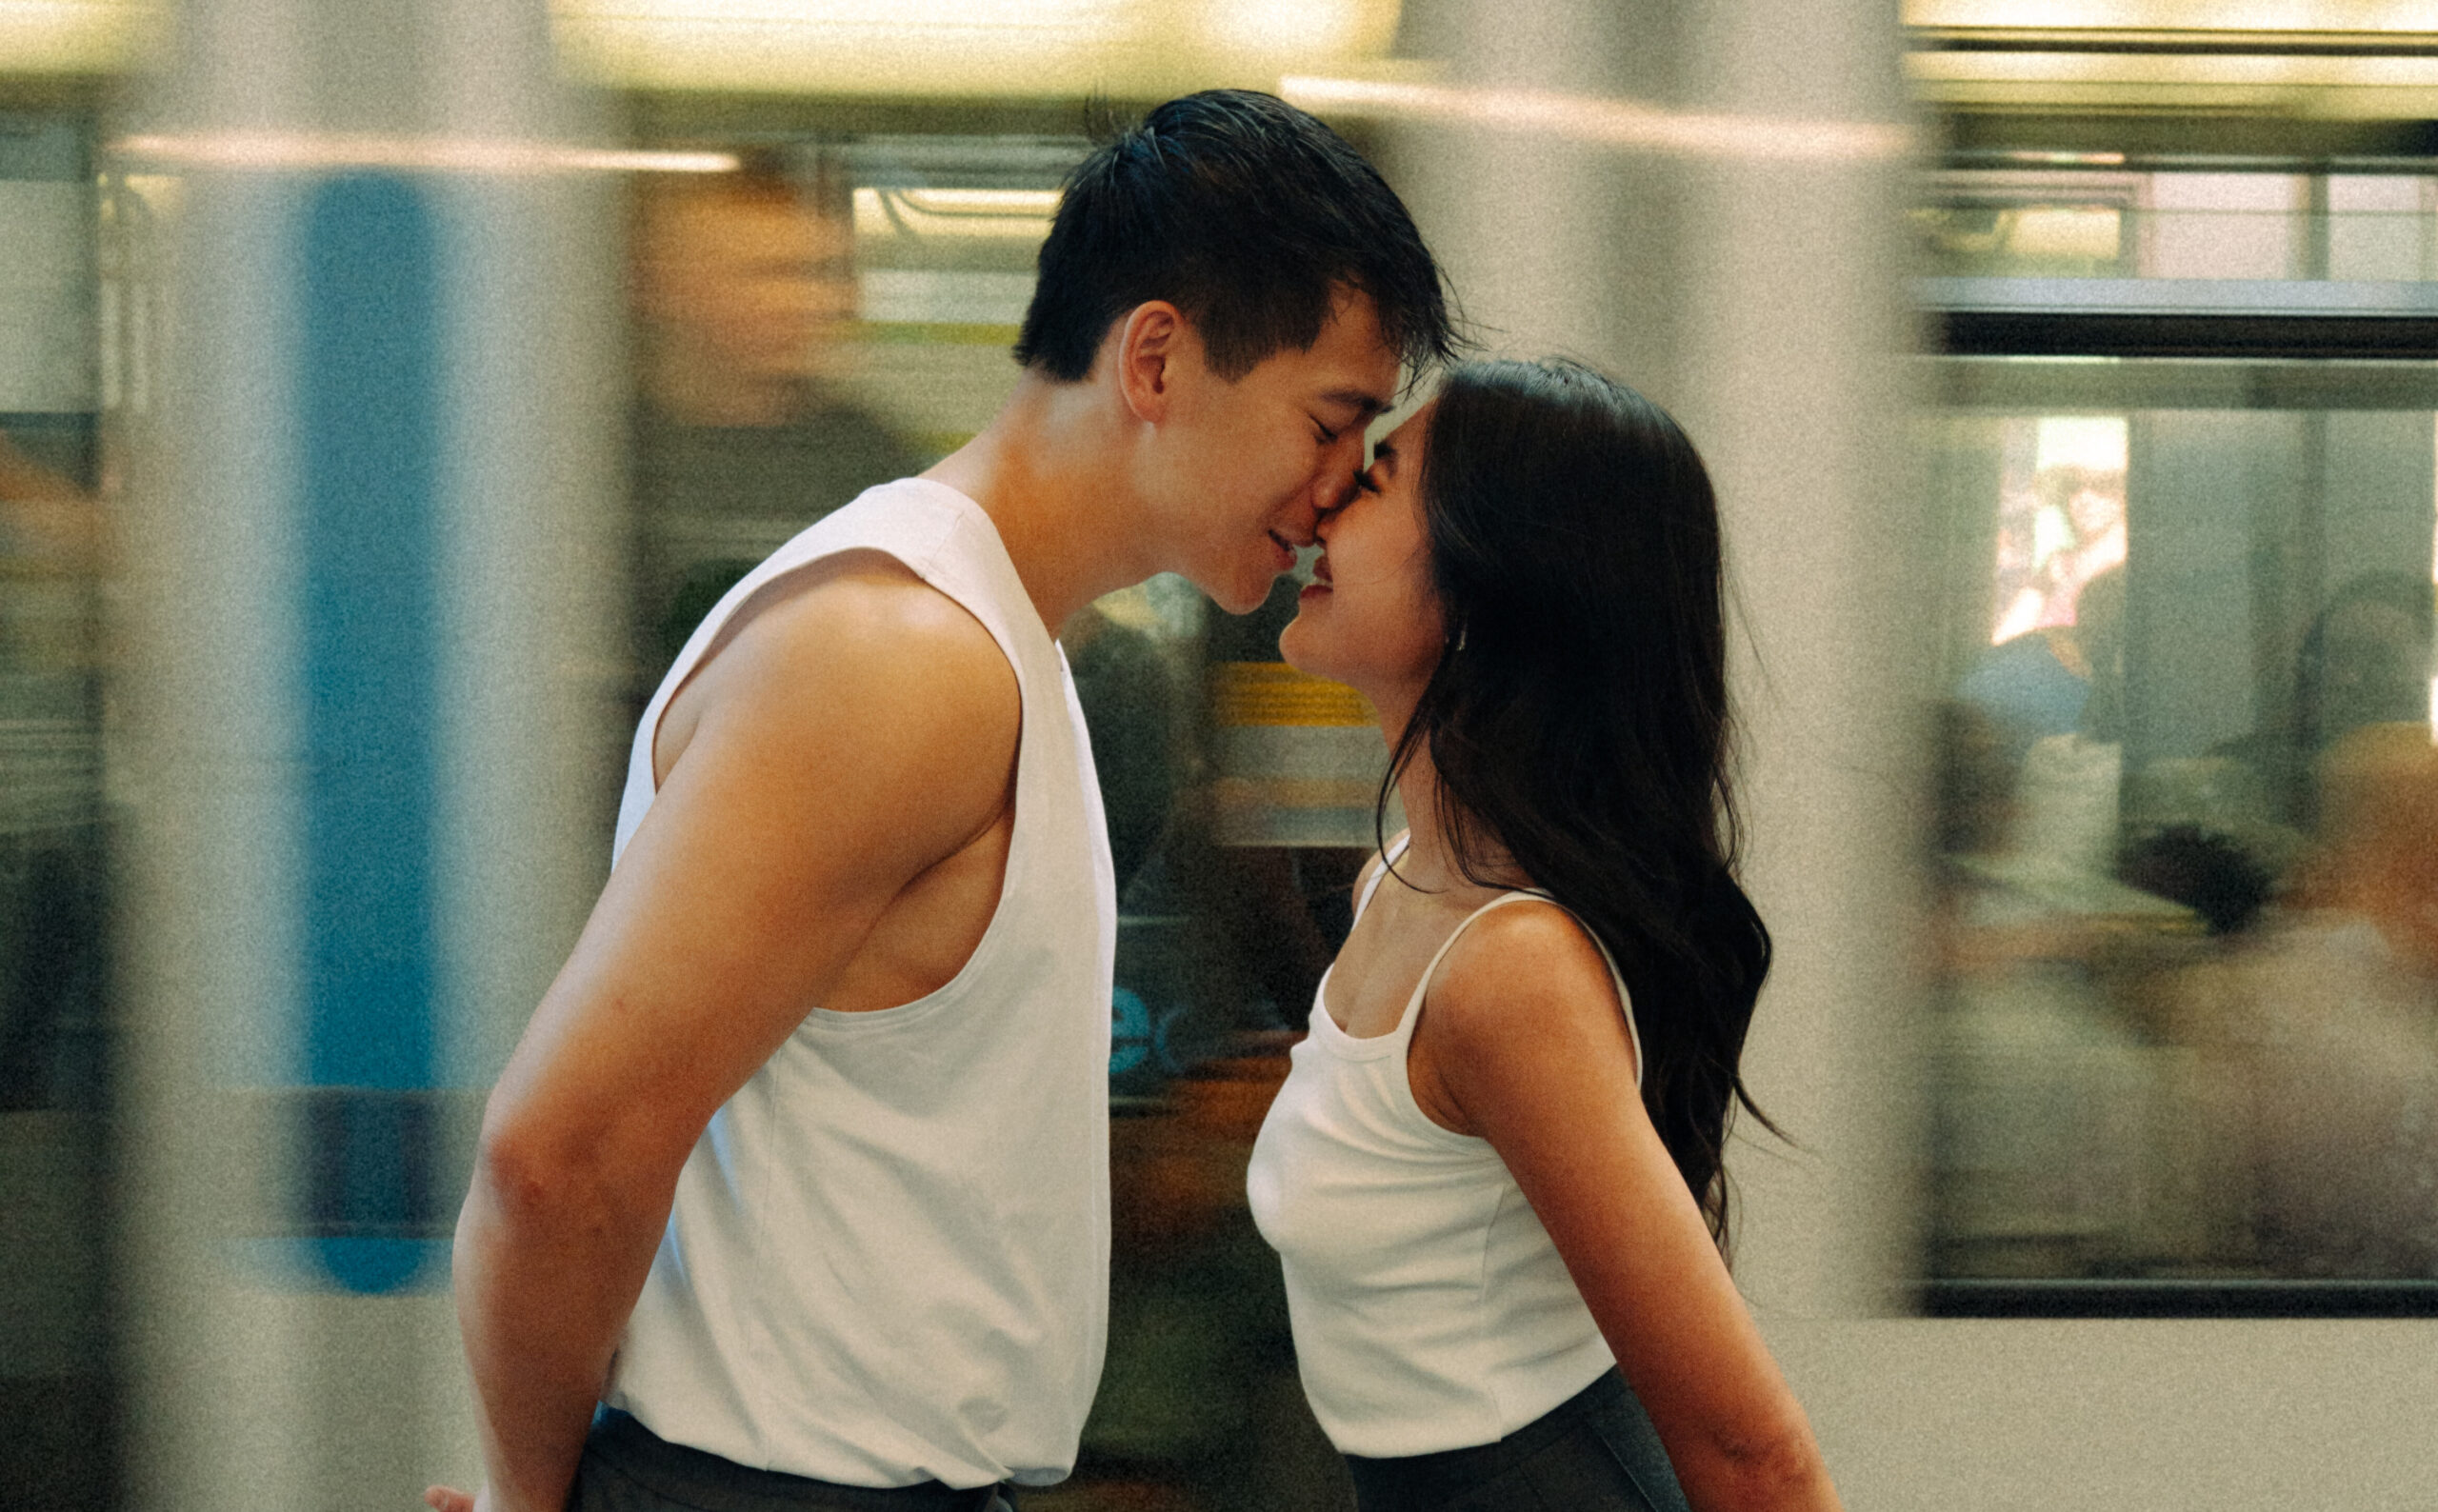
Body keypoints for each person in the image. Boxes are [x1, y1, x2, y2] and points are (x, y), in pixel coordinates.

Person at [430, 90, 1454, 1512]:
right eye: (1330, 423)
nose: (1340, 491)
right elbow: (559, 1155)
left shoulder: (1004, 648)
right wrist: (533, 1501)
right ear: (1156, 358)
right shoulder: (897, 661)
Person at [1246, 360, 1841, 1512]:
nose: (1321, 502)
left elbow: (1753, 1456)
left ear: (1483, 584)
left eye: (1374, 480)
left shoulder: (1508, 971)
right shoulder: (1397, 885)